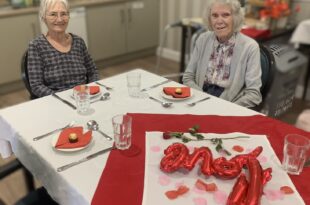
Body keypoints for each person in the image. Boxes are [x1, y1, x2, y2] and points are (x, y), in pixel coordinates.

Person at [182, 0, 262, 108]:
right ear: (209, 19)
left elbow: (254, 94)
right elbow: (188, 77)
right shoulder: (202, 39)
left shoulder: (250, 47)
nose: (219, 21)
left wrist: (224, 109)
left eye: (225, 15)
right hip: (198, 96)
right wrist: (201, 98)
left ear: (235, 18)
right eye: (214, 15)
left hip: (229, 104)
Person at [27, 0, 99, 98]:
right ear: (44, 18)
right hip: (56, 102)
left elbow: (93, 71)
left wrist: (88, 92)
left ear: (68, 16)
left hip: (84, 98)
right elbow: (36, 86)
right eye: (53, 14)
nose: (60, 19)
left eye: (64, 14)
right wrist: (63, 98)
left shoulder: (78, 41)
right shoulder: (36, 46)